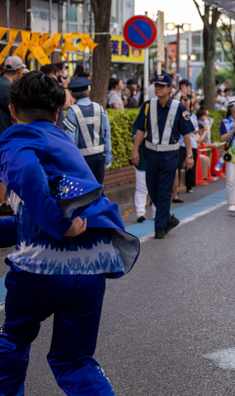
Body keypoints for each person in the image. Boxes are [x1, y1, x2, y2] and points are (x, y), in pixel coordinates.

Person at [0, 71, 139, 395]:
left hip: (41, 268)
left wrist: (58, 225)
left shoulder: (20, 135)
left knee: (11, 346)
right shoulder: (62, 142)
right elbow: (25, 221)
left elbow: (26, 175)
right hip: (92, 268)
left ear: (12, 110)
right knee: (74, 360)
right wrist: (56, 222)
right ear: (58, 112)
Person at [131, 73, 195, 239]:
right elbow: (140, 130)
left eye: (161, 86)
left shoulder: (179, 107)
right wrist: (135, 150)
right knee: (152, 189)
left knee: (165, 190)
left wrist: (189, 155)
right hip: (151, 153)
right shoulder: (147, 106)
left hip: (170, 155)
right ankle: (168, 219)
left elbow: (187, 133)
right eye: (156, 85)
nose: (158, 88)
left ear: (169, 89)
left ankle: (159, 228)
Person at [62, 77, 113, 184]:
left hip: (82, 158)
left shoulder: (72, 111)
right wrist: (108, 156)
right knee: (98, 189)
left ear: (72, 95)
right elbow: (106, 134)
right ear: (88, 93)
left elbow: (71, 140)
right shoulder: (100, 108)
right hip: (100, 156)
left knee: (84, 191)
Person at [0, 56, 25, 216]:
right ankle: (2, 202)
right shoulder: (9, 89)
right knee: (3, 170)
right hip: (5, 134)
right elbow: (14, 117)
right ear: (19, 70)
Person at [177, 94, 199, 194]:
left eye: (187, 100)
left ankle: (189, 186)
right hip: (180, 144)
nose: (185, 102)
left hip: (192, 143)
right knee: (177, 165)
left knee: (190, 166)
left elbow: (195, 129)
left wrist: (189, 128)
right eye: (183, 99)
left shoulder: (192, 116)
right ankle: (175, 187)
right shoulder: (177, 114)